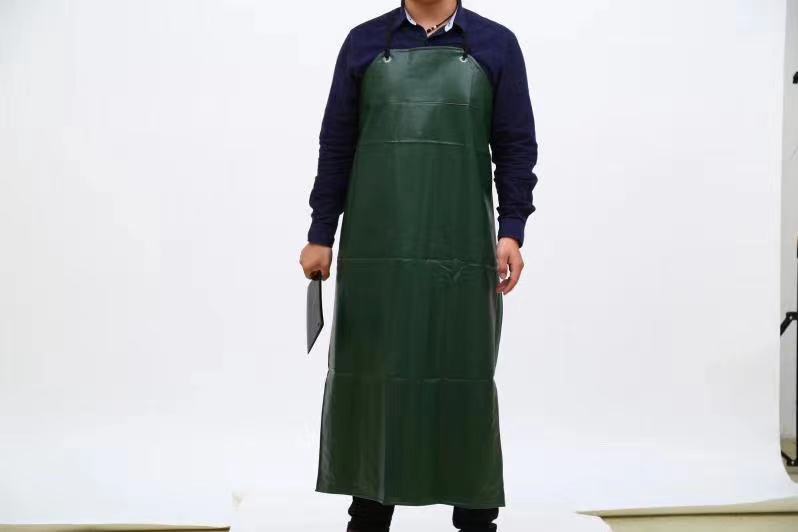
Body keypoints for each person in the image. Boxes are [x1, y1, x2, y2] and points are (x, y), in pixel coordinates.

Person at [299, 0, 538, 530]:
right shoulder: (363, 43)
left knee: (463, 377)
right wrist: (320, 232)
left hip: (461, 249)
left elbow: (516, 145)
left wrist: (512, 229)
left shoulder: (496, 45)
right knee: (374, 378)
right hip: (375, 249)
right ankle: (368, 514)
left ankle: (475, 519)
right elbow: (336, 144)